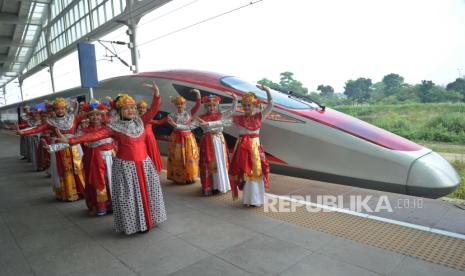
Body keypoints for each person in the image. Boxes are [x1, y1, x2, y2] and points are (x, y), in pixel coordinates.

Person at [56, 82, 167, 235]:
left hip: (144, 165)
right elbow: (93, 135)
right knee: (129, 197)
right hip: (126, 167)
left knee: (146, 193)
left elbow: (154, 110)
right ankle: (135, 224)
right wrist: (70, 141)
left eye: (133, 107)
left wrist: (157, 94)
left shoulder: (141, 121)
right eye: (127, 108)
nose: (131, 110)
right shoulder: (113, 127)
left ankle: (148, 218)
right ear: (120, 111)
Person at [17, 98, 86, 201]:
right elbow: (37, 129)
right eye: (57, 109)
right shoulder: (51, 122)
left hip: (74, 146)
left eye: (62, 108)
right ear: (54, 110)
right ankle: (68, 193)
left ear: (66, 109)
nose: (60, 111)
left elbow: (89, 117)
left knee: (78, 167)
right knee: (64, 169)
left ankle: (82, 191)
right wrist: (23, 132)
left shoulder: (73, 117)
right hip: (60, 148)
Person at [229, 85, 273, 207]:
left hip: (255, 148)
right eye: (245, 105)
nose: (247, 107)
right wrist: (234, 101)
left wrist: (267, 90)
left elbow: (270, 104)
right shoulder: (239, 118)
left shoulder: (259, 116)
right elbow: (229, 114)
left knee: (257, 171)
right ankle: (248, 199)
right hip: (243, 148)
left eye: (249, 105)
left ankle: (256, 199)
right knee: (245, 172)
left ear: (254, 105)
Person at [74, 99, 115, 216]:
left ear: (102, 115)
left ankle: (113, 204)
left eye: (98, 115)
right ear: (88, 117)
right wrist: (53, 147)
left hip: (111, 157)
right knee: (99, 182)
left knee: (112, 180)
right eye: (92, 115)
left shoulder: (109, 127)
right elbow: (71, 140)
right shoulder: (84, 130)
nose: (95, 117)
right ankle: (101, 206)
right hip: (94, 160)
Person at [196, 93, 237, 195]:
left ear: (217, 106)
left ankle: (221, 185)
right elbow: (198, 127)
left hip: (219, 141)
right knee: (209, 163)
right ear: (206, 106)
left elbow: (231, 111)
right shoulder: (201, 117)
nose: (212, 107)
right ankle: (210, 186)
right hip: (208, 142)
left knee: (220, 162)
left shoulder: (220, 115)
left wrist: (235, 100)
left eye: (214, 105)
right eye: (209, 105)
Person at [158, 89, 201, 184]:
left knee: (190, 157)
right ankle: (178, 177)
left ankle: (190, 176)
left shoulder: (189, 113)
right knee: (177, 158)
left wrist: (198, 94)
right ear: (175, 105)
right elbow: (159, 122)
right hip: (176, 139)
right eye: (178, 104)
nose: (180, 105)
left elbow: (198, 105)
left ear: (185, 105)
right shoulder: (171, 116)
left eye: (182, 103)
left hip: (188, 138)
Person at [137, 99, 163, 173]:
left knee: (151, 154)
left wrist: (167, 119)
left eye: (143, 108)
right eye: (140, 108)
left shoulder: (148, 117)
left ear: (146, 109)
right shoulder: (136, 118)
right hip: (141, 140)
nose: (141, 109)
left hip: (149, 139)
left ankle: (152, 169)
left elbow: (158, 122)